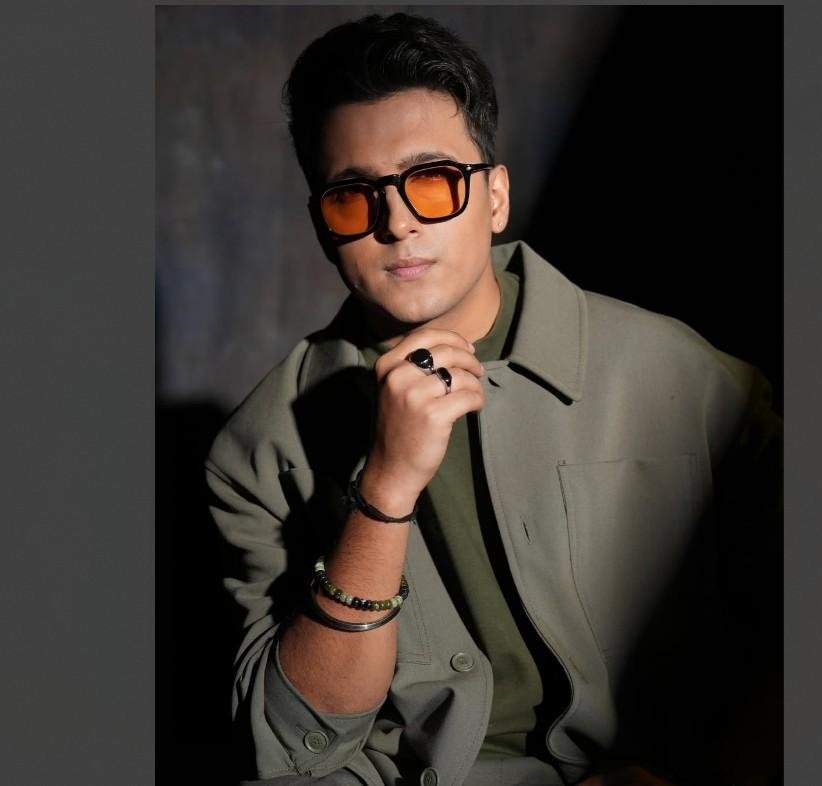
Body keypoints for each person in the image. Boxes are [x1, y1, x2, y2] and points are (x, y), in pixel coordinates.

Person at [205, 12, 781, 786]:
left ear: (496, 197)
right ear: (321, 227)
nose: (397, 222)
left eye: (432, 181)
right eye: (352, 198)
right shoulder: (260, 446)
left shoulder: (681, 374)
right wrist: (384, 493)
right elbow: (290, 745)